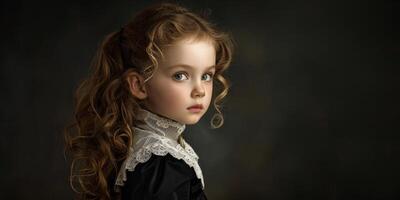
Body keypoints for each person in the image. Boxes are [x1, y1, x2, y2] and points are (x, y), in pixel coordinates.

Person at [64, 2, 234, 200]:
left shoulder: (141, 145)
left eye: (206, 75)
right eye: (180, 75)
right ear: (139, 85)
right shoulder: (160, 164)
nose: (200, 91)